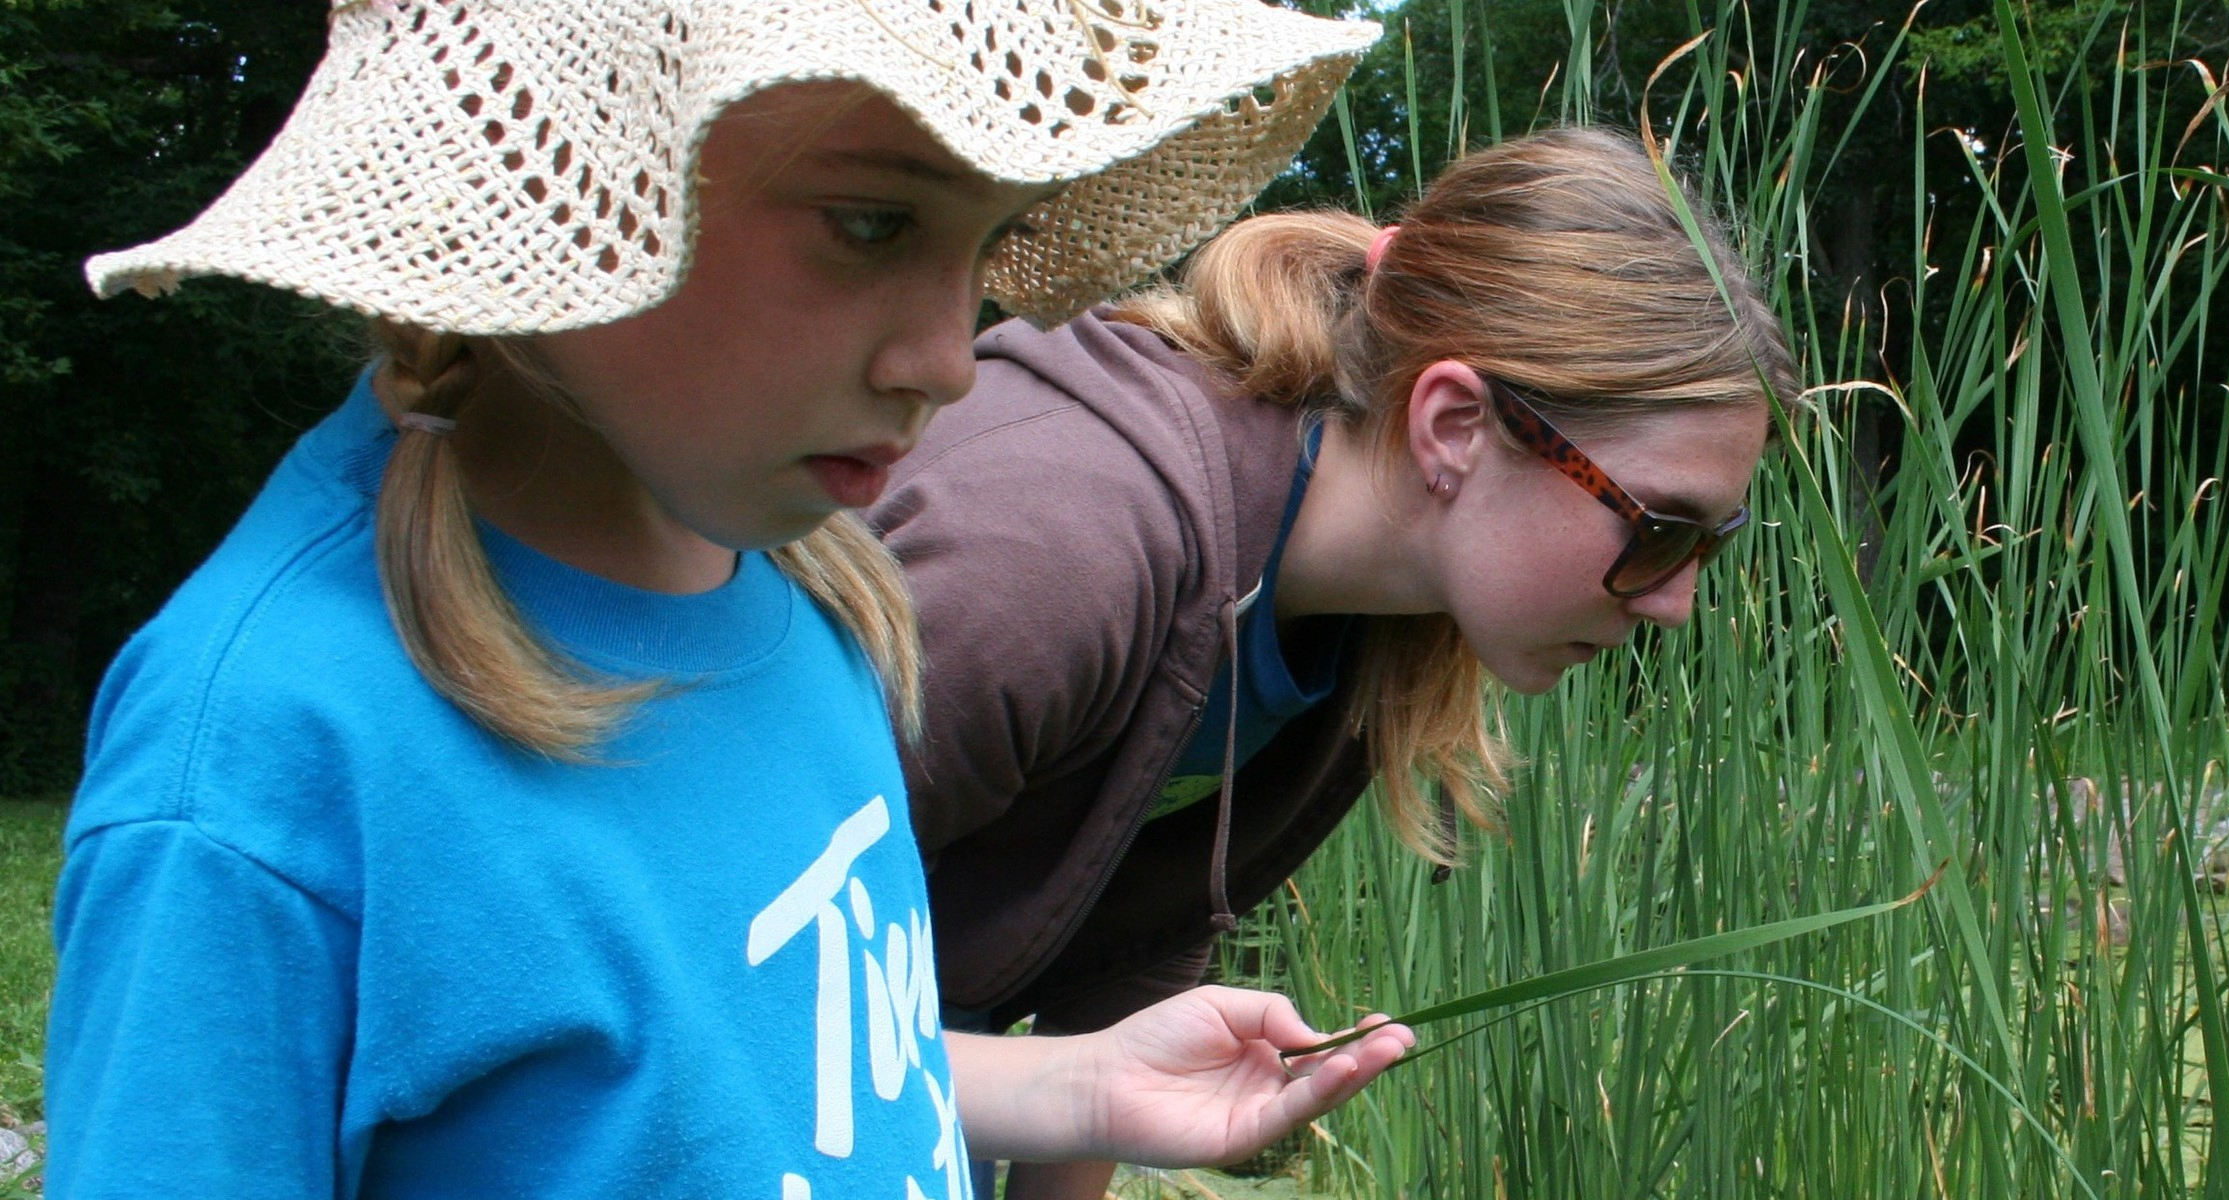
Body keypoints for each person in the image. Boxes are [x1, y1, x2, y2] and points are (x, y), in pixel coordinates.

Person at [44, 1, 1417, 1195]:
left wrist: (1072, 1090)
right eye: (872, 222)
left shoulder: (810, 590)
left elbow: (733, 1069)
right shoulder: (268, 765)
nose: (953, 357)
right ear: (561, 164)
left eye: (994, 237)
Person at [869, 126, 1800, 1197]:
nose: (1678, 601)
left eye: (1705, 546)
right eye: (1658, 526)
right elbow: (711, 992)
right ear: (1452, 424)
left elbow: (1122, 986)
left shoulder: (1365, 633)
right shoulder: (1049, 558)